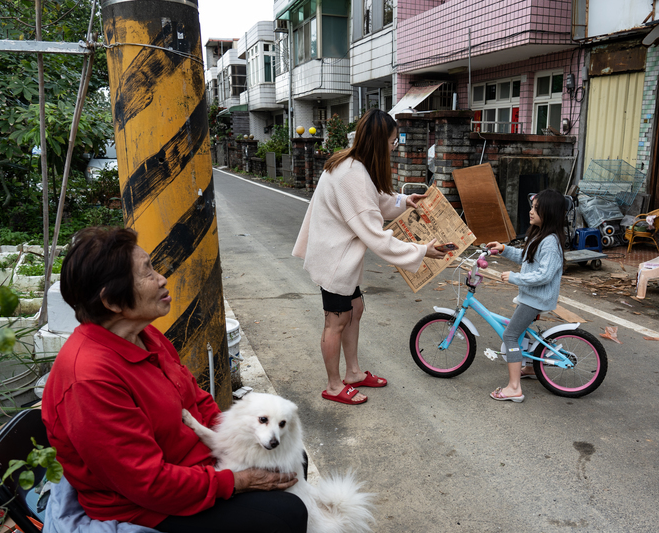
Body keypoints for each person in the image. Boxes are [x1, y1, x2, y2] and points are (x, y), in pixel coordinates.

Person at [42, 227, 307, 533]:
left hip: (196, 467)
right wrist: (237, 480)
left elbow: (196, 399)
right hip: (147, 504)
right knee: (285, 514)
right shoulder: (89, 380)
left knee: (291, 459)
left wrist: (233, 441)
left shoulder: (145, 336)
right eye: (147, 272)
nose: (161, 279)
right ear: (112, 302)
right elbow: (147, 483)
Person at [292, 109, 446, 405]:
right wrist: (423, 250)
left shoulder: (351, 163)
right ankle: (334, 386)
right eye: (392, 141)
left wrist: (404, 202)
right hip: (335, 261)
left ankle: (353, 373)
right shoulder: (353, 175)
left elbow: (374, 201)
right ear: (379, 142)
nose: (393, 147)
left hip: (339, 254)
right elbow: (376, 235)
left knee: (355, 309)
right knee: (335, 321)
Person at [486, 189, 568, 403]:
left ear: (548, 212)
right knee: (521, 331)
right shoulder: (541, 235)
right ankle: (532, 366)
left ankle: (514, 388)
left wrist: (516, 278)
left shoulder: (550, 242)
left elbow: (544, 275)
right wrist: (503, 249)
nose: (530, 211)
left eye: (535, 208)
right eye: (532, 207)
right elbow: (527, 258)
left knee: (510, 336)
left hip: (535, 298)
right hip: (532, 296)